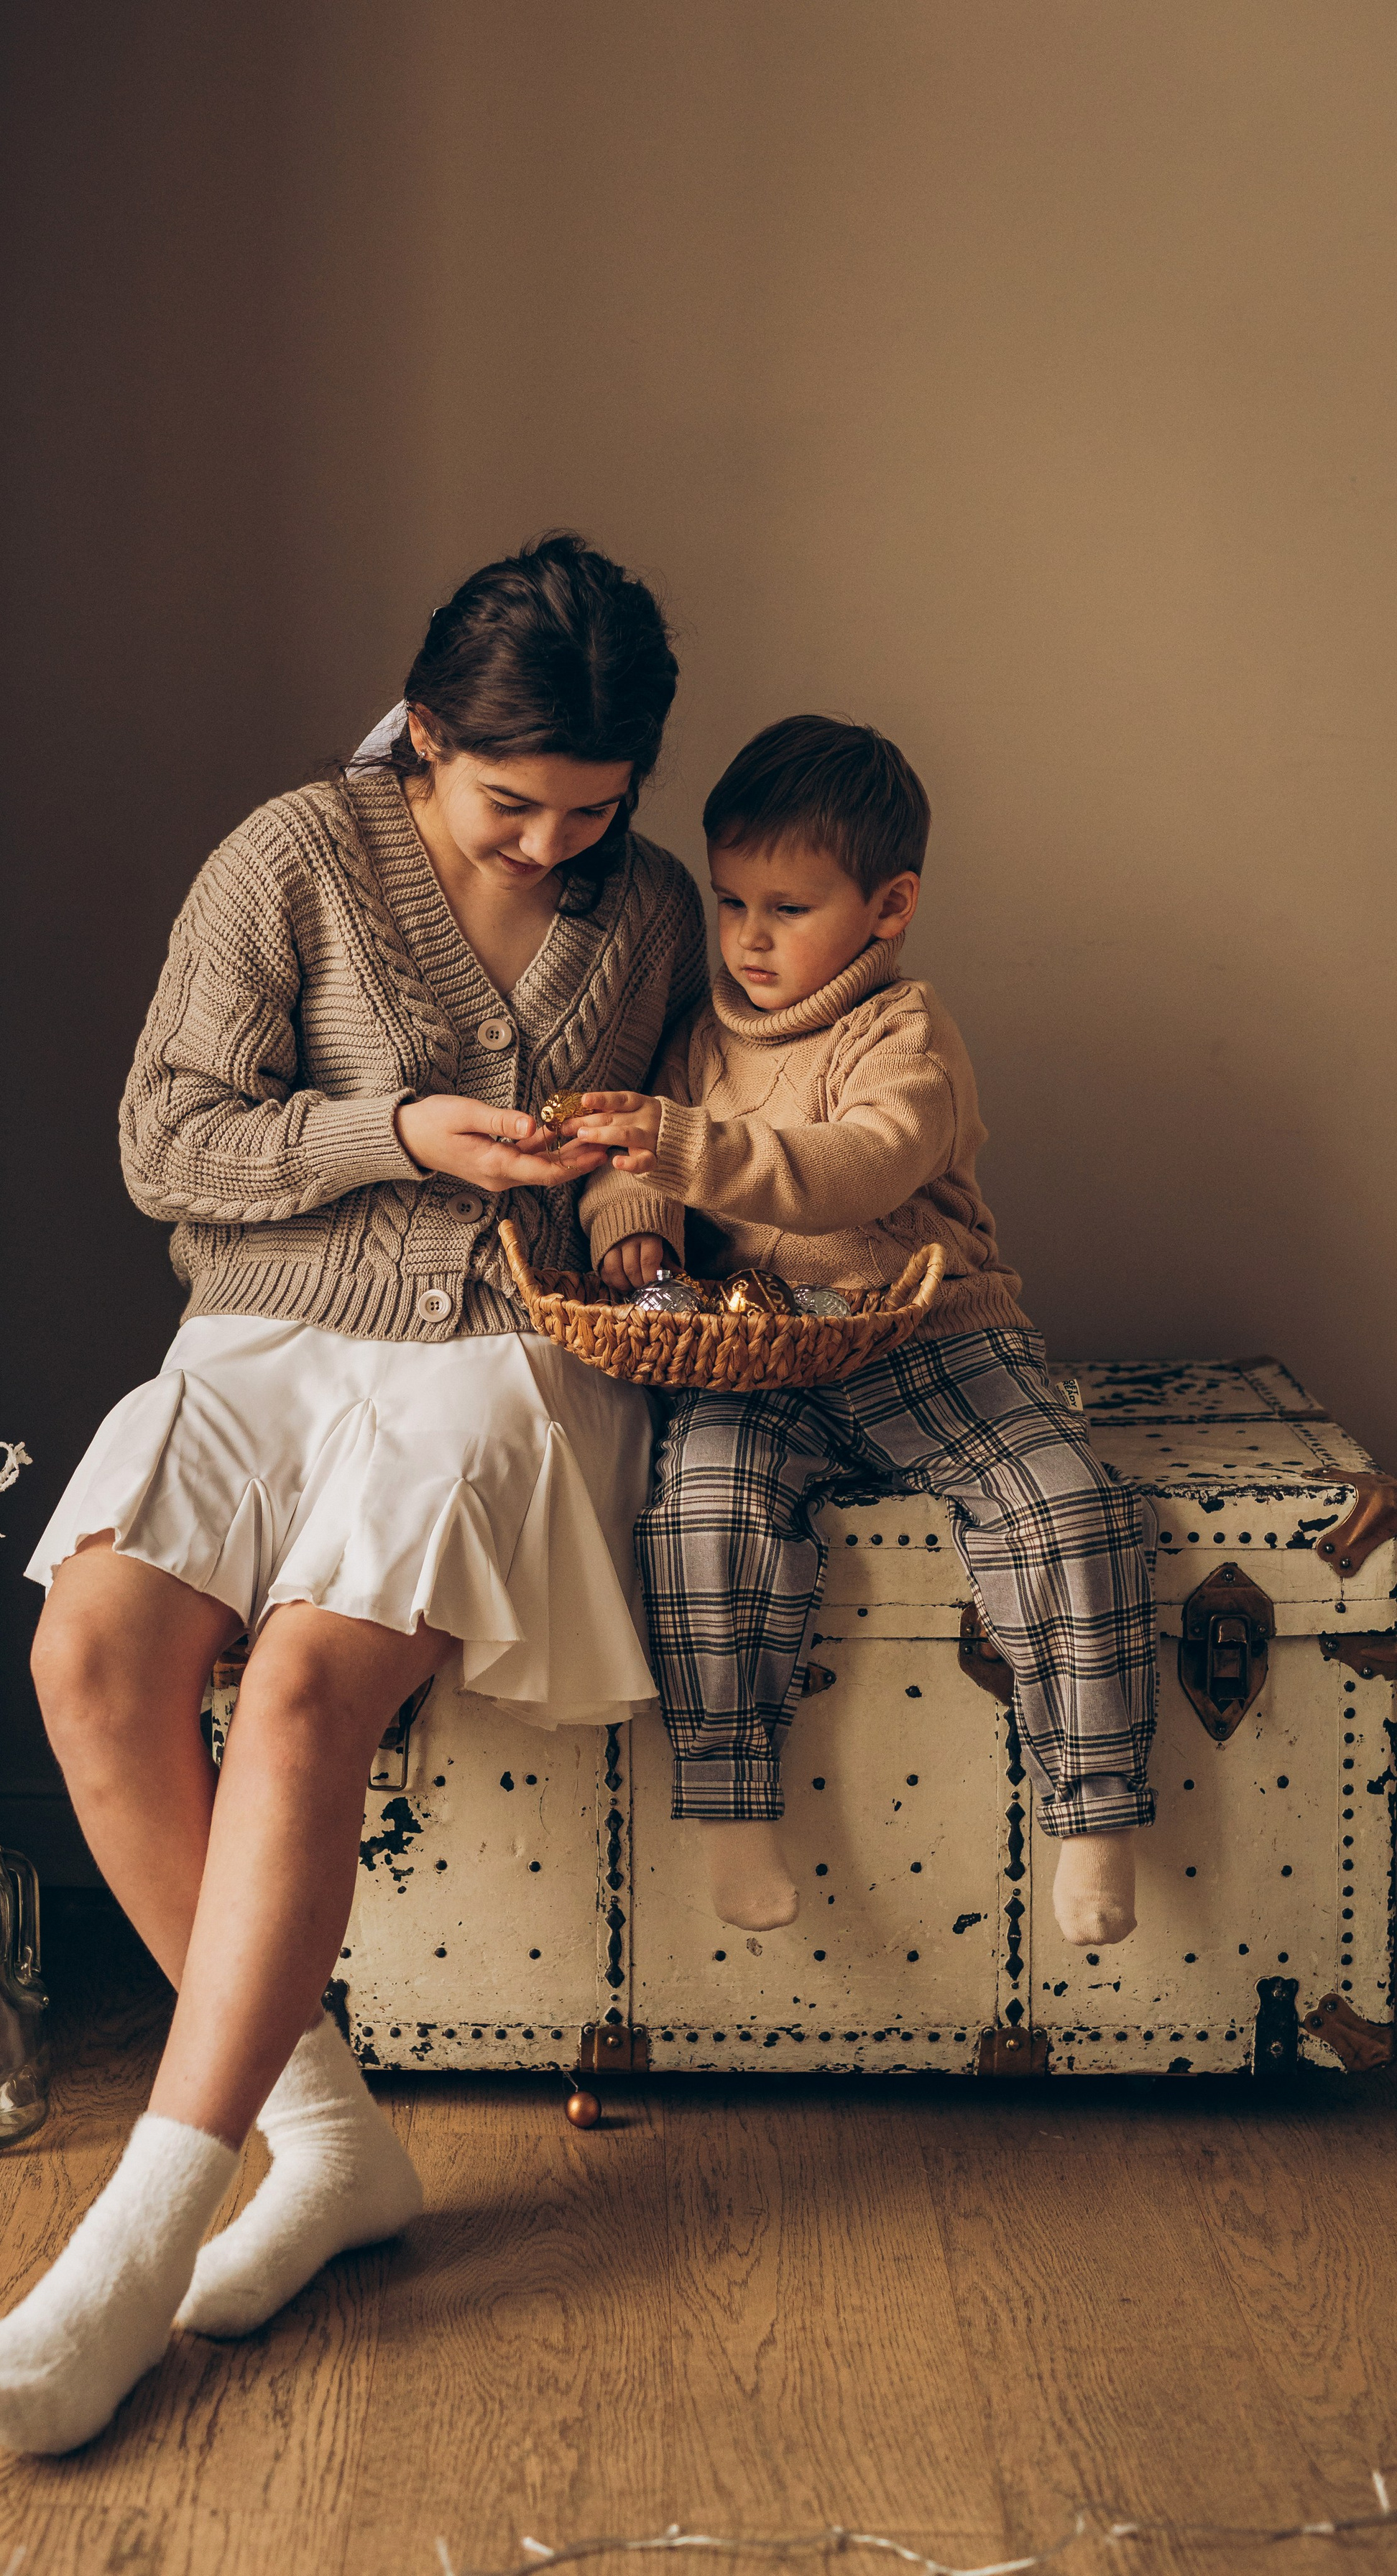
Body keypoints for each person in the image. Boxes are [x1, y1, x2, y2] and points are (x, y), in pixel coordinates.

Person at [0, 535, 704, 2455]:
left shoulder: (650, 907)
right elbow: (164, 1143)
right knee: (89, 1651)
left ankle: (136, 2237)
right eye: (511, 802)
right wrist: (397, 1131)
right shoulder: (291, 856)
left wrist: (632, 1201)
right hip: (269, 1331)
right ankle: (329, 2138)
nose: (552, 845)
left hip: (506, 1360)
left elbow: (650, 1153)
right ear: (424, 733)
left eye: (593, 810)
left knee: (297, 1689)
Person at [568, 714, 1158, 1946]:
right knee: (701, 1514)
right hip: (758, 1358)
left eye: (788, 909)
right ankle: (734, 1813)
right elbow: (636, 1166)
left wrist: (681, 1149)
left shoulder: (906, 1033)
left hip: (929, 1338)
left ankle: (1094, 1810)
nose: (749, 938)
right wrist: (637, 1224)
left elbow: (855, 1168)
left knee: (1069, 1509)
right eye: (732, 903)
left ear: (889, 907)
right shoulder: (697, 1038)